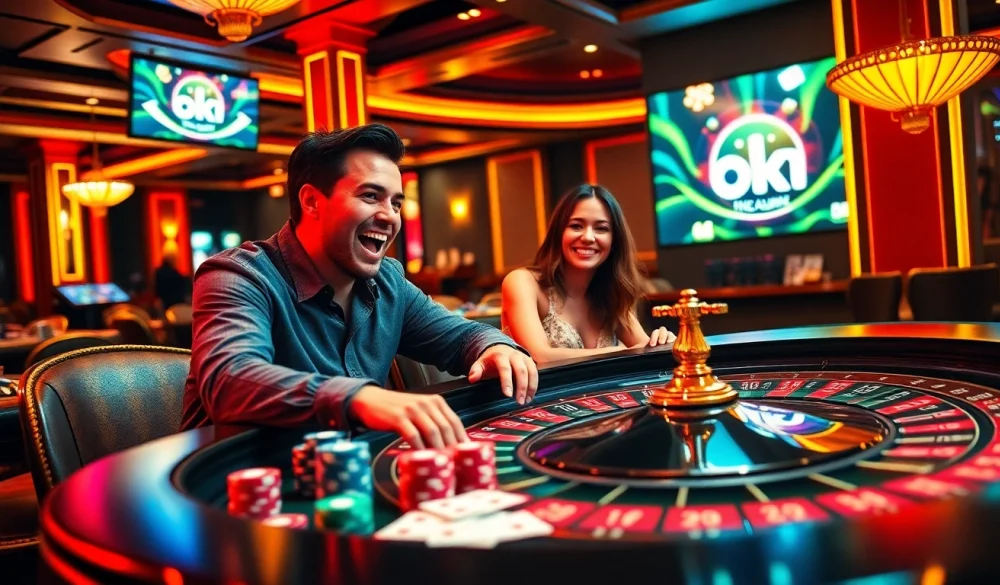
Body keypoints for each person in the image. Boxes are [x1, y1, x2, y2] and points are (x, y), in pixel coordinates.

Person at [181, 123, 538, 449]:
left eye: (396, 202)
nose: (390, 216)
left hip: (344, 480)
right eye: (370, 196)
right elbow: (230, 380)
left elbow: (461, 337)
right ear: (311, 202)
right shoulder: (238, 276)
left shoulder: (388, 282)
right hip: (225, 487)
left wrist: (494, 347)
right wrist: (359, 398)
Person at [501, 184, 675, 363]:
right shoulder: (522, 282)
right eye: (576, 226)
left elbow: (643, 349)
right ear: (558, 232)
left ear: (615, 240)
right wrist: (621, 352)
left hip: (607, 391)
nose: (588, 237)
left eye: (601, 228)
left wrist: (660, 341)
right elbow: (540, 357)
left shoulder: (612, 292)